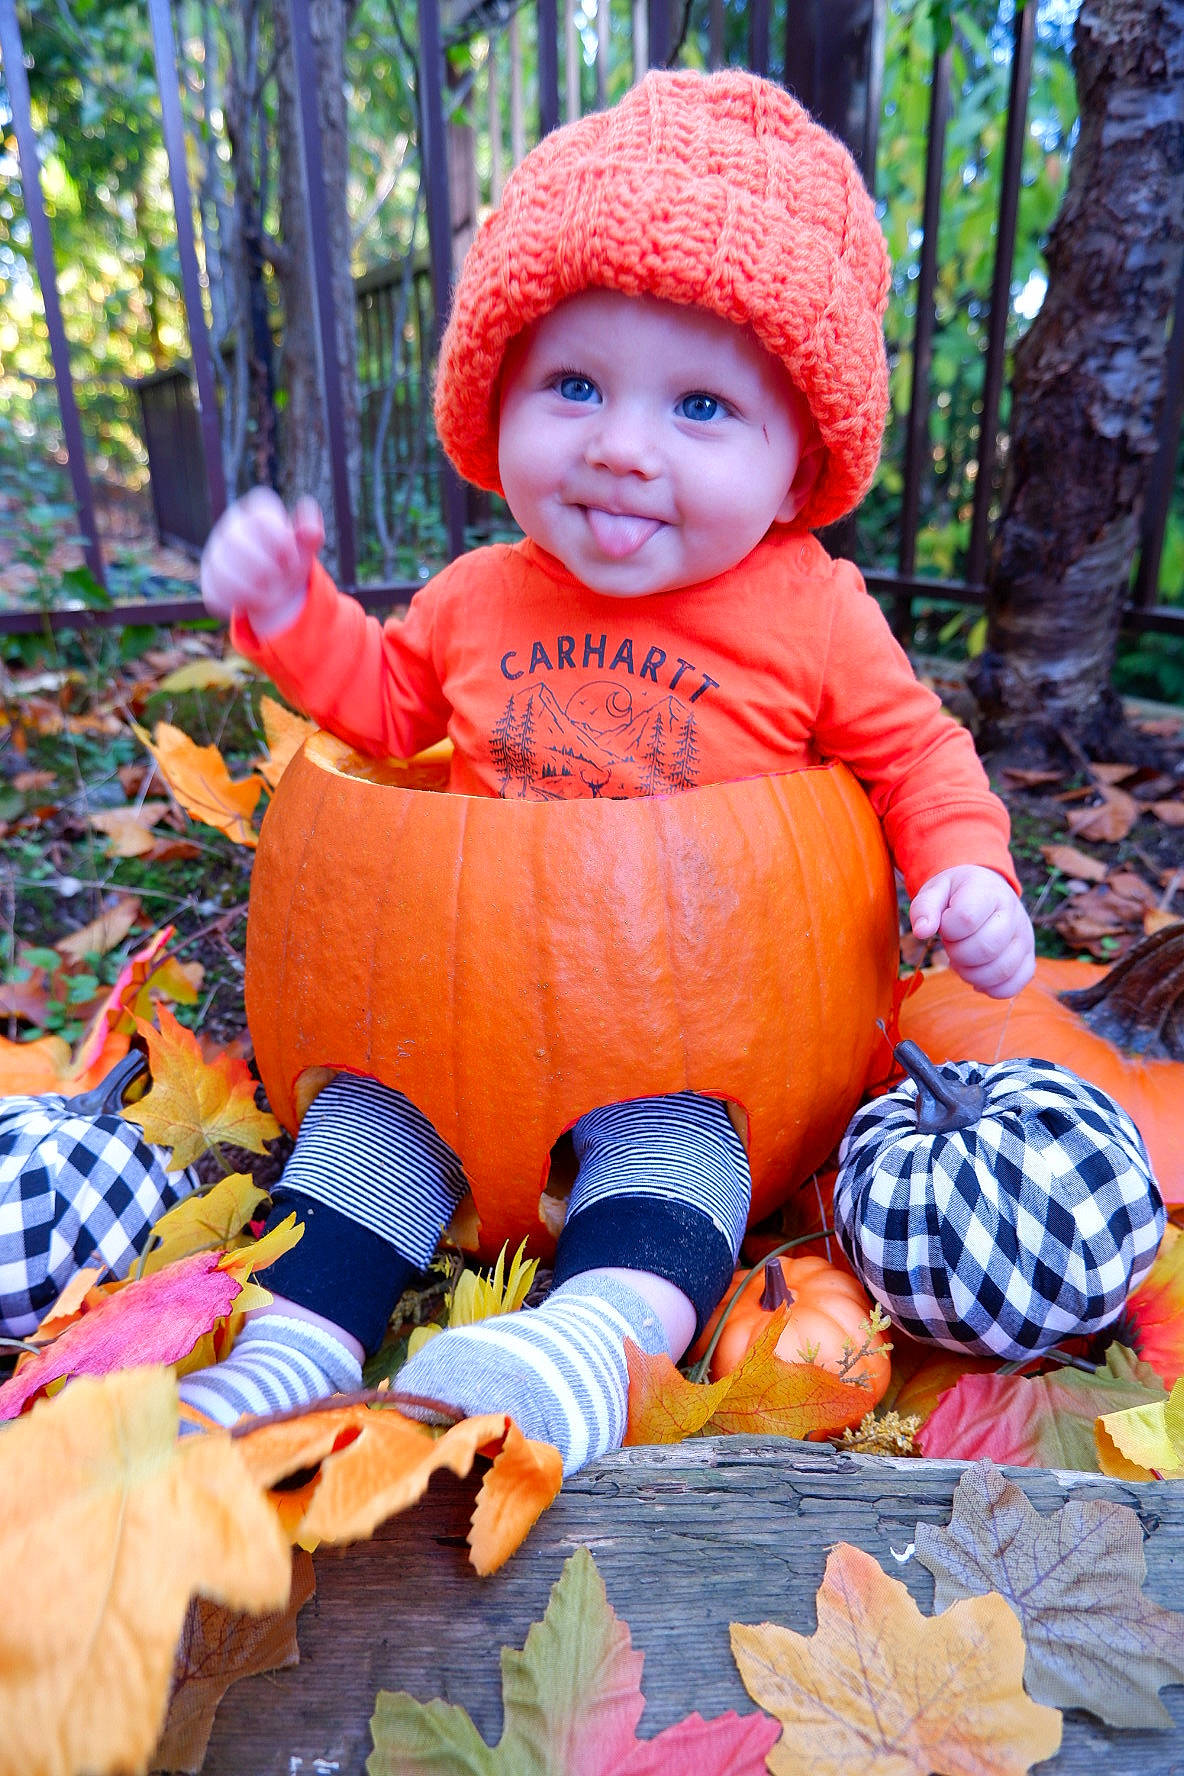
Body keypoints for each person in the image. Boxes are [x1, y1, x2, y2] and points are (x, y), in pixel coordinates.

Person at [181, 68, 1160, 1466]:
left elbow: (917, 753)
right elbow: (390, 714)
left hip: (694, 1037)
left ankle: (586, 1347)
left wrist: (967, 871)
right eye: (574, 384)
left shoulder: (810, 610)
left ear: (796, 456)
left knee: (685, 1171)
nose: (623, 446)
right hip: (458, 1015)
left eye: (701, 408)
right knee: (360, 1137)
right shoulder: (477, 593)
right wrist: (291, 614)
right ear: (498, 398)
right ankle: (288, 1353)